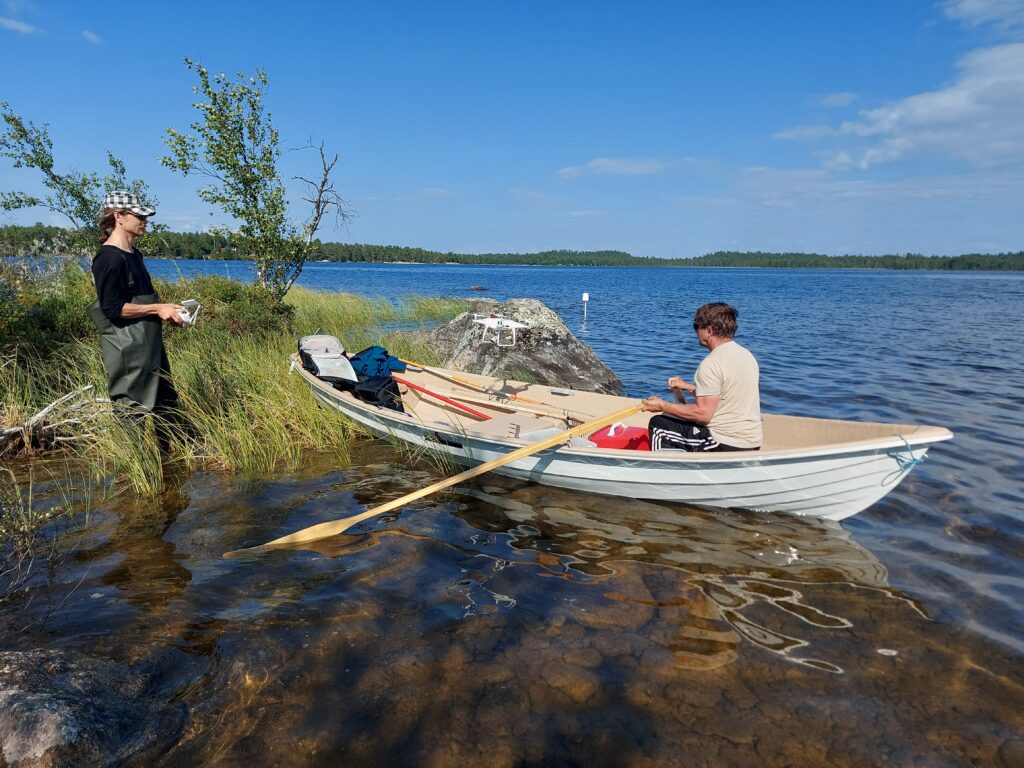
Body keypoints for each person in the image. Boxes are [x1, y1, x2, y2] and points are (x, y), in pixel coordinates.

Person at [87, 190, 185, 445]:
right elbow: (112, 309)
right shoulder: (108, 259)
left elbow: (139, 298)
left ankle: (174, 464)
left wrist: (168, 310)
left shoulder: (134, 254)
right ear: (119, 216)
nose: (145, 220)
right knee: (132, 408)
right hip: (127, 347)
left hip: (150, 344)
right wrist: (156, 309)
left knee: (166, 400)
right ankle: (134, 472)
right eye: (139, 215)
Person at [641, 302, 762, 452]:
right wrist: (687, 387)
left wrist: (663, 405)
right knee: (677, 417)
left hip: (723, 443)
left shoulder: (711, 363)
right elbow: (724, 393)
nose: (695, 331)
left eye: (696, 327)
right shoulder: (746, 355)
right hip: (752, 442)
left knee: (659, 424)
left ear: (709, 330)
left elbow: (703, 414)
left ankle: (667, 470)